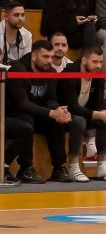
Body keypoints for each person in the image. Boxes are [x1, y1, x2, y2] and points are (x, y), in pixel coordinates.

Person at [8, 40, 75, 183]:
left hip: (38, 113)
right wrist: (51, 113)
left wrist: (59, 112)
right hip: (14, 114)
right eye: (45, 57)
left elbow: (51, 99)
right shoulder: (18, 70)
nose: (50, 61)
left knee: (57, 122)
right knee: (27, 119)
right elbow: (22, 104)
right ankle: (25, 168)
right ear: (34, 56)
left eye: (51, 57)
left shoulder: (51, 72)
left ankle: (59, 167)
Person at [57, 46, 106, 182]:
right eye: (95, 62)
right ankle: (74, 167)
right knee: (79, 120)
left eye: (101, 62)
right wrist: (100, 114)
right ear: (84, 60)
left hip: (83, 114)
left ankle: (102, 167)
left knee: (104, 119)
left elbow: (100, 103)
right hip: (63, 117)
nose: (98, 66)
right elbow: (72, 107)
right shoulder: (69, 73)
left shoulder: (97, 75)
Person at [0, 1, 32, 67]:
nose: (21, 18)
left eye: (23, 15)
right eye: (16, 15)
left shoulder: (27, 35)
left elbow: (26, 63)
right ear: (6, 16)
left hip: (16, 71)